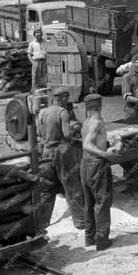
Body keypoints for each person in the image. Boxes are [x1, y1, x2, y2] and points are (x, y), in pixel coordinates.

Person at [37, 87, 85, 230]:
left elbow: (40, 133)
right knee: (72, 186)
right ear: (63, 97)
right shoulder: (63, 113)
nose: (68, 101)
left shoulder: (42, 112)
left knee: (47, 189)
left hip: (46, 153)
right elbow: (67, 135)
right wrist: (76, 128)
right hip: (61, 152)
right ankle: (81, 221)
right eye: (67, 98)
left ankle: (42, 224)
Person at [81, 93, 120, 250]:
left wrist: (108, 141)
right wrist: (106, 154)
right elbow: (86, 144)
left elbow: (92, 141)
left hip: (85, 165)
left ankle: (90, 238)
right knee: (102, 202)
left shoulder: (86, 122)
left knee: (89, 202)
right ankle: (102, 241)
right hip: (96, 165)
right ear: (99, 106)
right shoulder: (97, 122)